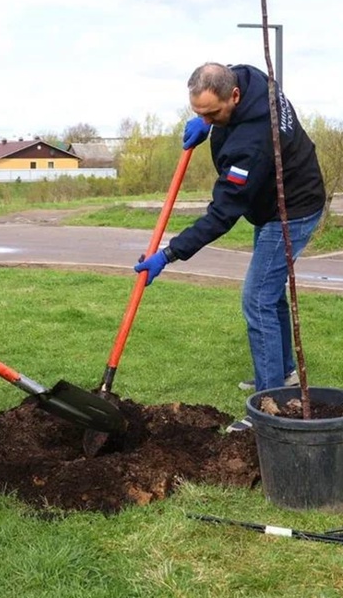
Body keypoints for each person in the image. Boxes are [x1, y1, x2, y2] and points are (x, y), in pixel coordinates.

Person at [133, 62, 326, 433]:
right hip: (275, 199)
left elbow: (222, 214)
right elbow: (222, 96)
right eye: (198, 113)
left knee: (258, 298)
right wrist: (207, 123)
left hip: (292, 209)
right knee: (271, 293)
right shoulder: (249, 77)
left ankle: (268, 408)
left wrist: (169, 254)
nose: (206, 120)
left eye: (212, 113)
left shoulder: (251, 144)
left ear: (234, 97)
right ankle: (282, 372)